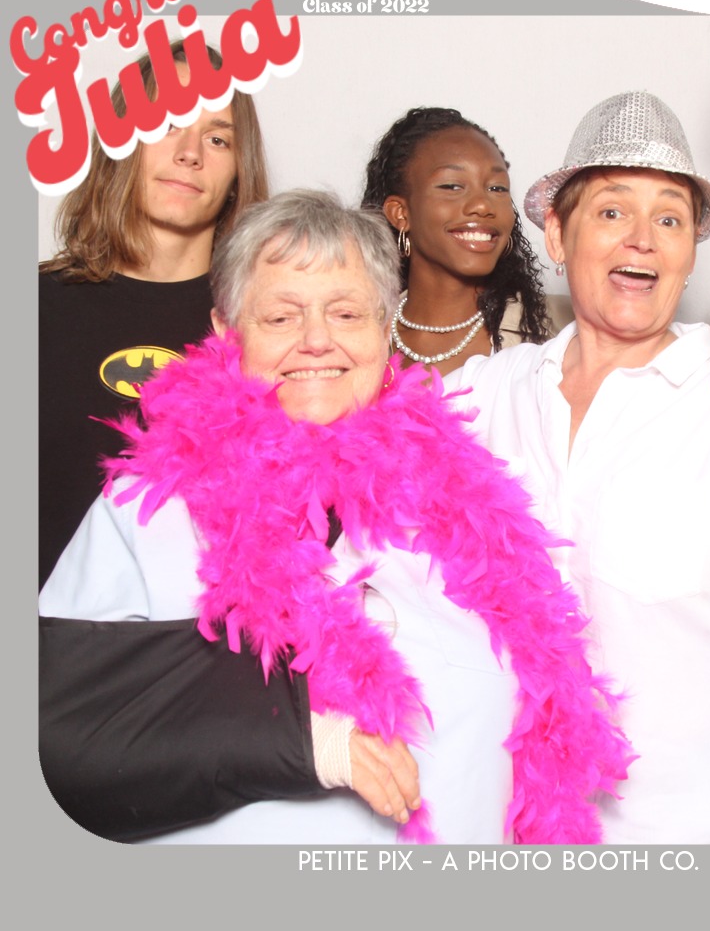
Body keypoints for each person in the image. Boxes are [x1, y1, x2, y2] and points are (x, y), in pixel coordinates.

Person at [39, 189, 632, 844]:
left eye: (346, 313)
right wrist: (301, 742)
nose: (317, 341)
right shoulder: (149, 506)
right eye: (281, 316)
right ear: (226, 331)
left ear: (384, 327)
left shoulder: (465, 502)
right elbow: (62, 736)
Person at [449, 90, 710, 844]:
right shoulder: (486, 396)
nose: (642, 239)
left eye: (670, 220)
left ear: (689, 252)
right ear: (557, 233)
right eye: (612, 211)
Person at [38, 38, 269, 589]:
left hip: (199, 641)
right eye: (168, 122)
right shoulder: (29, 306)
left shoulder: (264, 326)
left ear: (238, 172)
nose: (190, 152)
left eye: (217, 138)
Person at [361, 106, 571, 375]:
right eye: (452, 186)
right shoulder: (354, 334)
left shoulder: (562, 327)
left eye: (497, 188)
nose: (483, 205)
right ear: (401, 213)